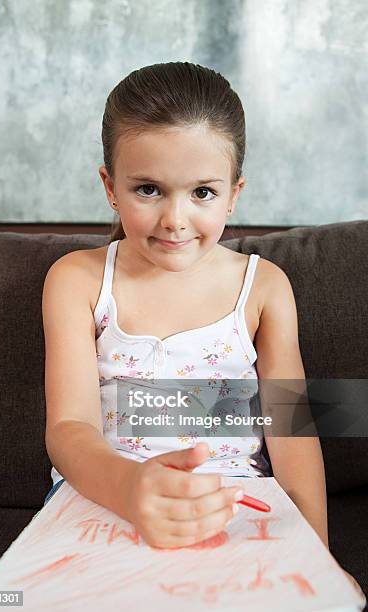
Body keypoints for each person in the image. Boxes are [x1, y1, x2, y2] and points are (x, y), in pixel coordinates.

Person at [41, 62, 362, 595]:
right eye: (148, 189)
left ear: (234, 192)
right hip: (102, 493)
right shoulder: (77, 280)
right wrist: (131, 487)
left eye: (203, 193)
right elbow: (69, 428)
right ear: (110, 186)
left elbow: (291, 432)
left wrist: (316, 556)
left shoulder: (264, 289)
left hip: (232, 498)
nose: (175, 218)